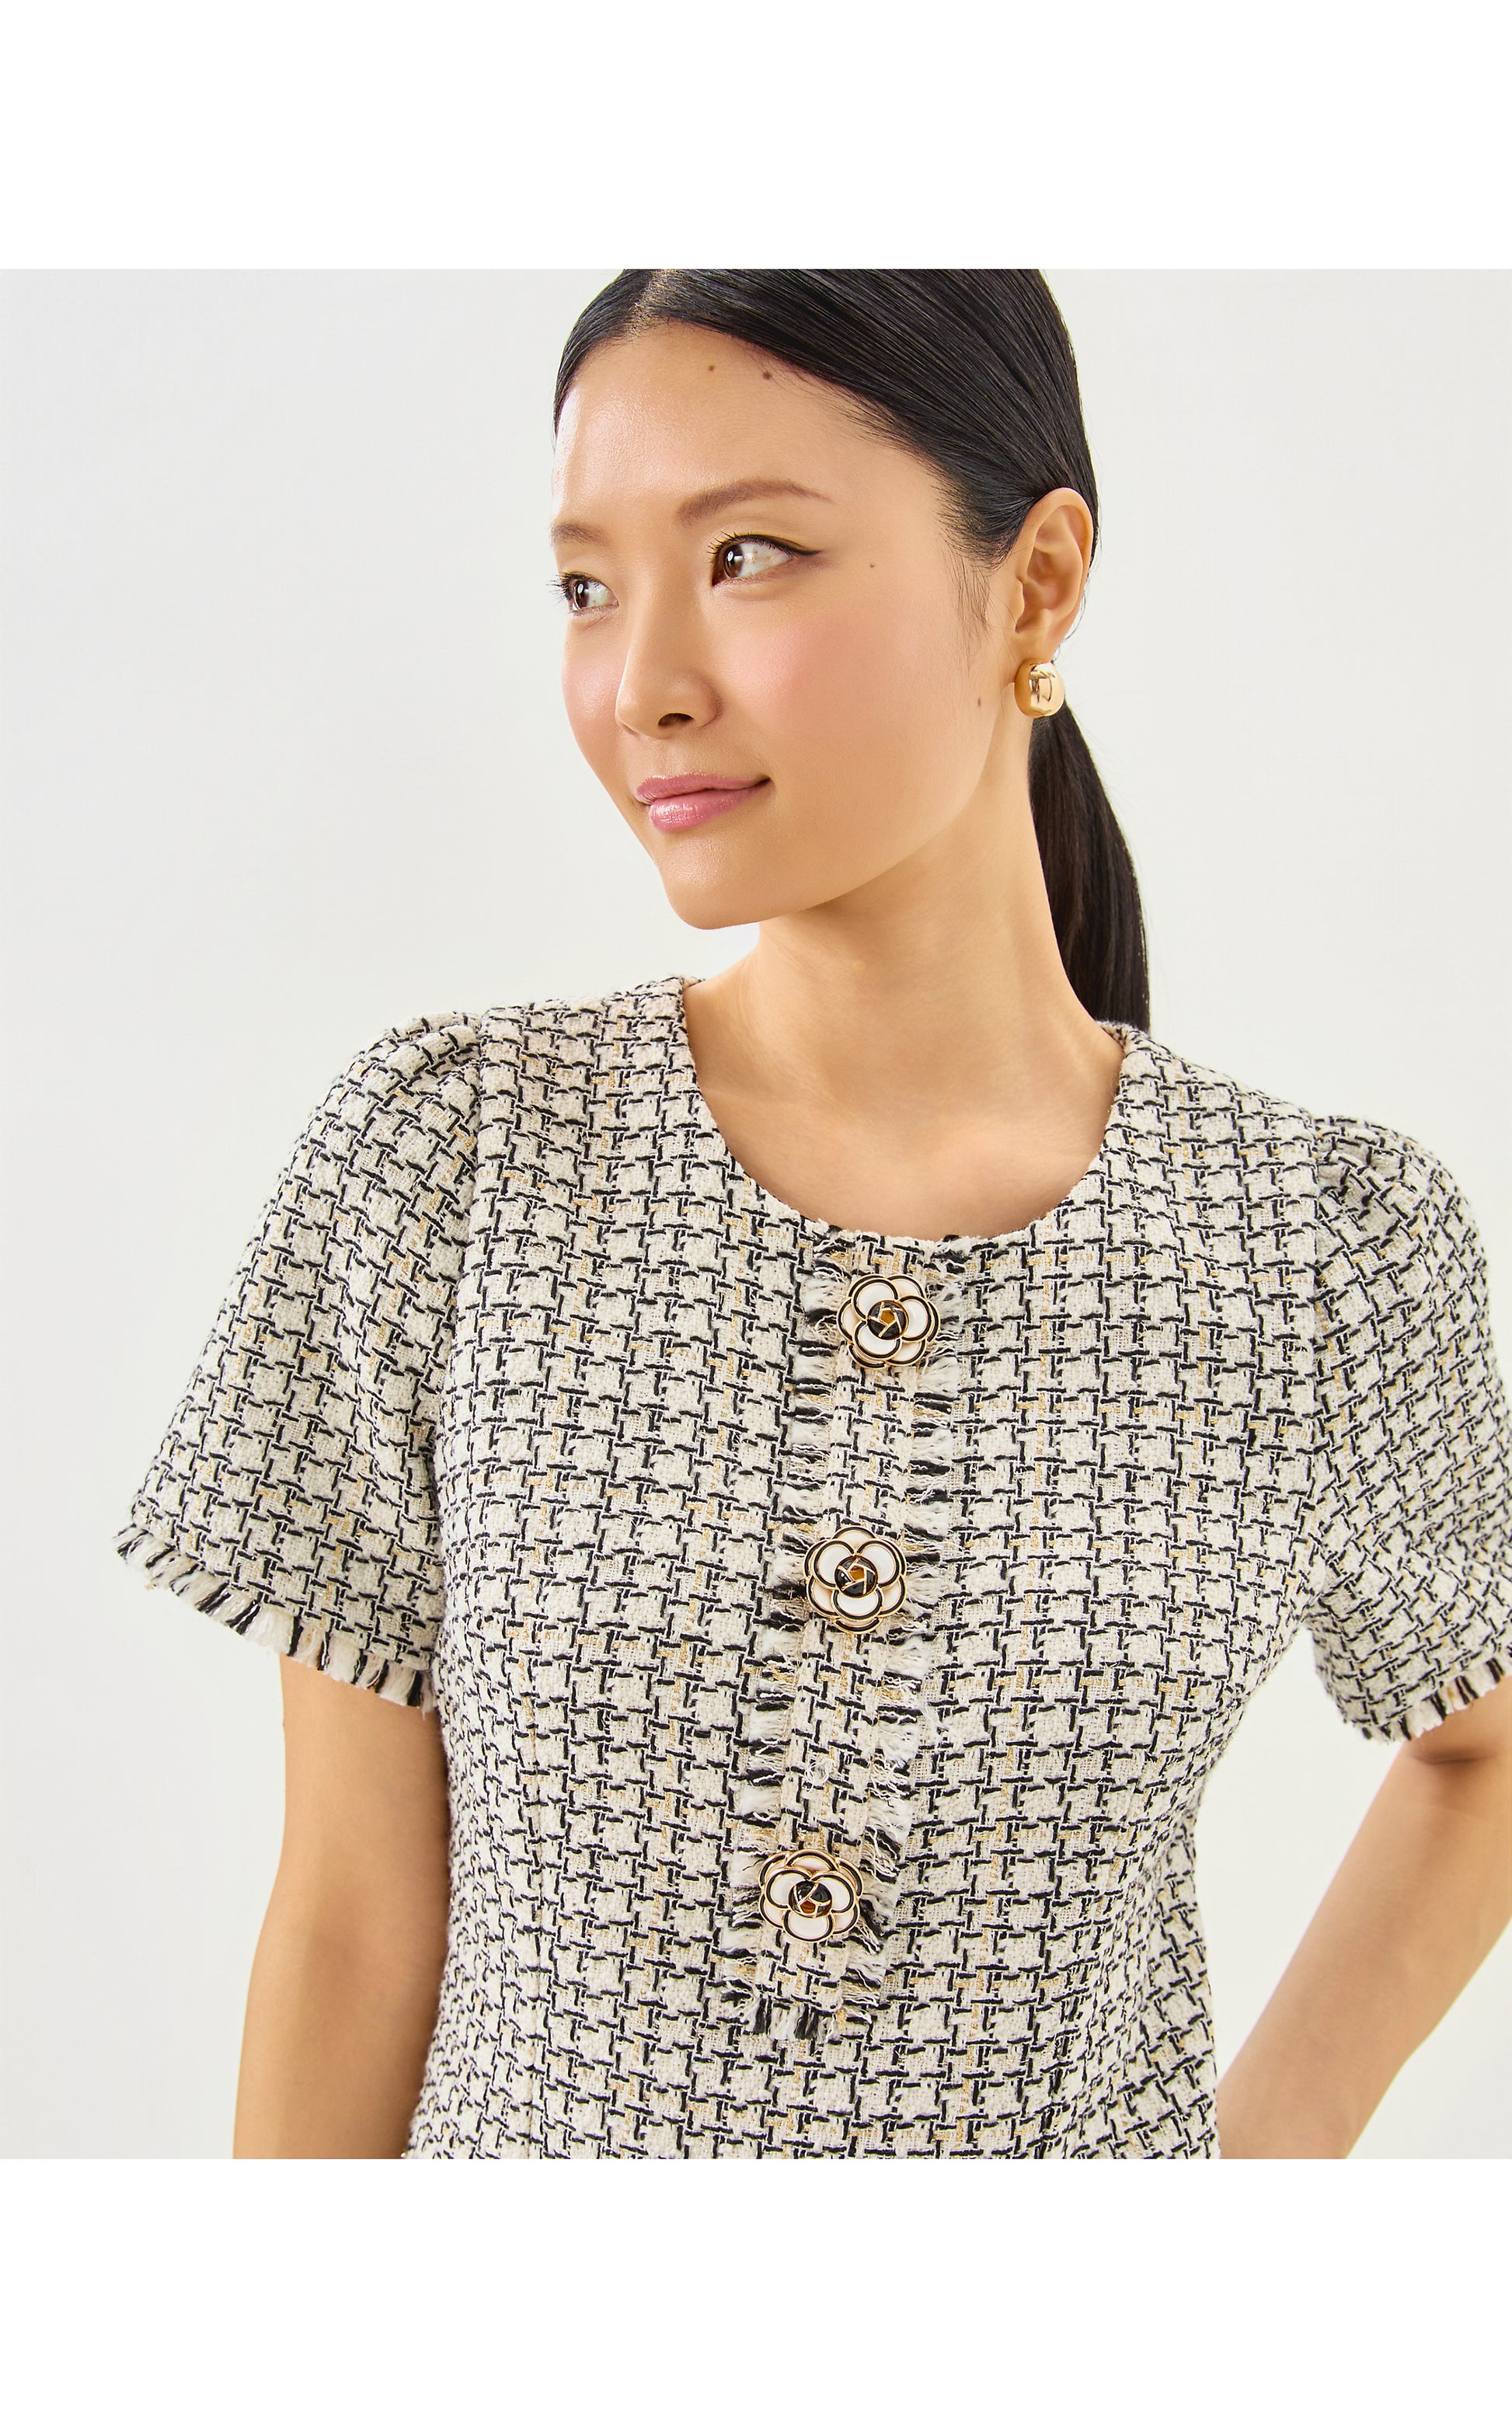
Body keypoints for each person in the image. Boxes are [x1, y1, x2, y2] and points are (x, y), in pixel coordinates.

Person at [115, 270, 1512, 2160]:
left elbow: (1481, 1748)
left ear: (1034, 585)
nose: (641, 684)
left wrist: (1249, 2174)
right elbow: (354, 1923)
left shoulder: (1320, 1251)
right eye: (585, 585)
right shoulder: (452, 1162)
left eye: (748, 556)